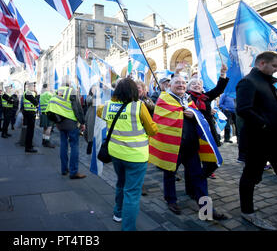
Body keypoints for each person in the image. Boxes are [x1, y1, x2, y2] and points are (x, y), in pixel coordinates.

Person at [148, 75, 226, 220]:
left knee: (199, 176)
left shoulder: (188, 99)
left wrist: (193, 114)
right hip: (173, 147)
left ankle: (206, 208)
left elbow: (198, 116)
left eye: (184, 83)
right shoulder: (164, 99)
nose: (181, 85)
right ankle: (171, 199)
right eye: (177, 82)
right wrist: (182, 113)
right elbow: (161, 119)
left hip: (191, 146)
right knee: (170, 173)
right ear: (169, 85)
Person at [97, 78, 158, 231]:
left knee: (120, 183)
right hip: (136, 156)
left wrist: (114, 99)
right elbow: (153, 130)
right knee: (132, 192)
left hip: (116, 153)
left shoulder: (107, 106)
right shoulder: (139, 106)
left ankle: (118, 213)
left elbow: (99, 112)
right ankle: (128, 228)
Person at [236, 51, 277, 231]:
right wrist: (265, 125)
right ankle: (247, 212)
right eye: (275, 66)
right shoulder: (248, 82)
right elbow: (243, 109)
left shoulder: (267, 81)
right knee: (250, 176)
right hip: (258, 141)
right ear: (262, 63)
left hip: (276, 140)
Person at [185, 64, 229, 182]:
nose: (197, 85)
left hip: (208, 130)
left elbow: (219, 89)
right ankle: (195, 182)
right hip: (194, 132)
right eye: (193, 84)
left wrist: (223, 74)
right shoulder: (186, 98)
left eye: (199, 84)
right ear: (188, 87)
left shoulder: (206, 97)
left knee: (212, 161)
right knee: (194, 160)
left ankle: (200, 177)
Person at [47, 75, 86, 179]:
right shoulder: (71, 91)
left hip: (60, 123)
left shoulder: (57, 92)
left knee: (63, 146)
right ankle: (74, 172)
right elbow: (77, 108)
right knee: (74, 146)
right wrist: (82, 122)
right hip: (71, 123)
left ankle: (64, 169)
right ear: (69, 83)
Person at [22, 82, 40, 153]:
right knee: (30, 130)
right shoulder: (28, 93)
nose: (35, 87)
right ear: (30, 86)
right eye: (34, 86)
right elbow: (36, 102)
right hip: (29, 113)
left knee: (31, 130)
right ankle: (28, 147)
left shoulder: (30, 93)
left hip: (30, 112)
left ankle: (29, 145)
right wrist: (38, 95)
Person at [39, 83, 55, 148]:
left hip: (43, 113)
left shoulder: (41, 95)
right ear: (47, 87)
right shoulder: (49, 94)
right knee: (49, 128)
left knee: (45, 128)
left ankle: (43, 140)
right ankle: (47, 141)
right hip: (49, 113)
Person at [83, 85, 97, 155]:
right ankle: (89, 149)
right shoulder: (89, 97)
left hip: (97, 118)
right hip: (91, 118)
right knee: (89, 134)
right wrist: (95, 94)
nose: (95, 89)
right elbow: (92, 101)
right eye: (93, 88)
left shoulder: (99, 96)